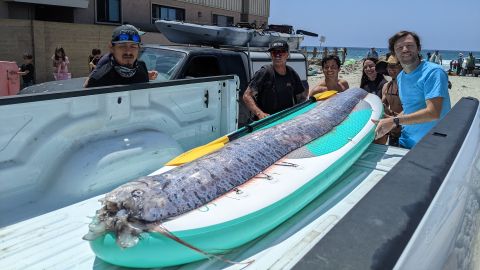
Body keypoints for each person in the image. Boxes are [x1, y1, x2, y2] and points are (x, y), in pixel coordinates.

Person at [374, 30, 451, 149]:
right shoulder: (400, 77)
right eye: (399, 47)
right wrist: (392, 120)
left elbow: (433, 112)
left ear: (419, 48)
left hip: (432, 146)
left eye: (409, 45)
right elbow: (410, 108)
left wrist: (395, 121)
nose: (404, 49)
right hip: (406, 141)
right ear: (394, 53)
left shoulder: (434, 72)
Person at [243, 39, 307, 120]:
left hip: (285, 119)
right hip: (267, 121)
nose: (278, 55)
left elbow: (301, 98)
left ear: (287, 54)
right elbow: (247, 96)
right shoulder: (265, 72)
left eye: (281, 52)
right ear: (271, 55)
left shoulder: (291, 73)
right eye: (274, 52)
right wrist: (260, 114)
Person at [85, 24, 150, 88]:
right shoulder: (98, 80)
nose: (128, 52)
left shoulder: (142, 68)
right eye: (122, 46)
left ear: (139, 48)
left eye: (133, 46)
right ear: (111, 48)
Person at [379, 55, 403, 146]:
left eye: (394, 66)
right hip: (391, 128)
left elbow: (412, 108)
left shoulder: (407, 87)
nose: (390, 69)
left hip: (406, 128)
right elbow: (382, 106)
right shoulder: (387, 86)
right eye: (388, 66)